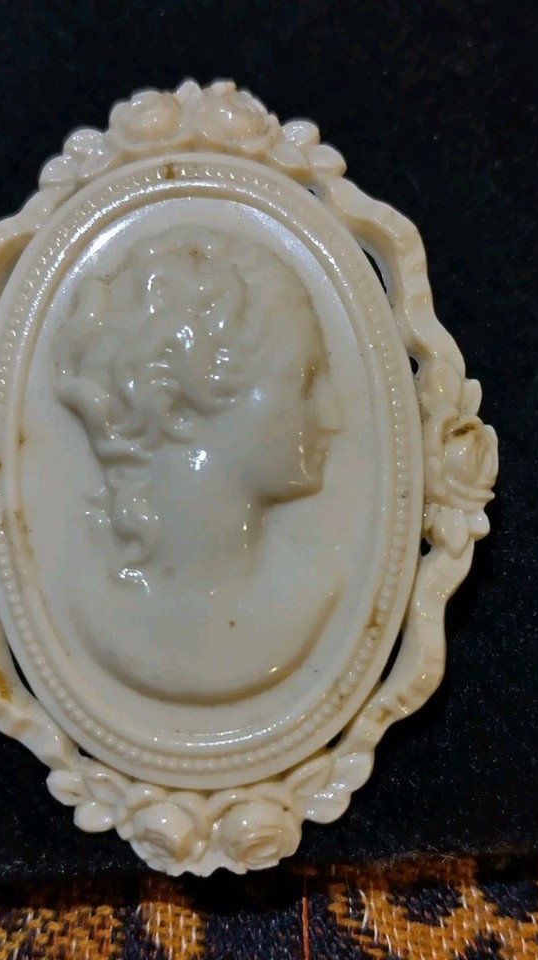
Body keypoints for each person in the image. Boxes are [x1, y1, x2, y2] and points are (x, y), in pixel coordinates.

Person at [55, 226, 338, 701]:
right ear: (175, 404)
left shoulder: (315, 599)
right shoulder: (86, 608)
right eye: (302, 383)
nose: (332, 419)